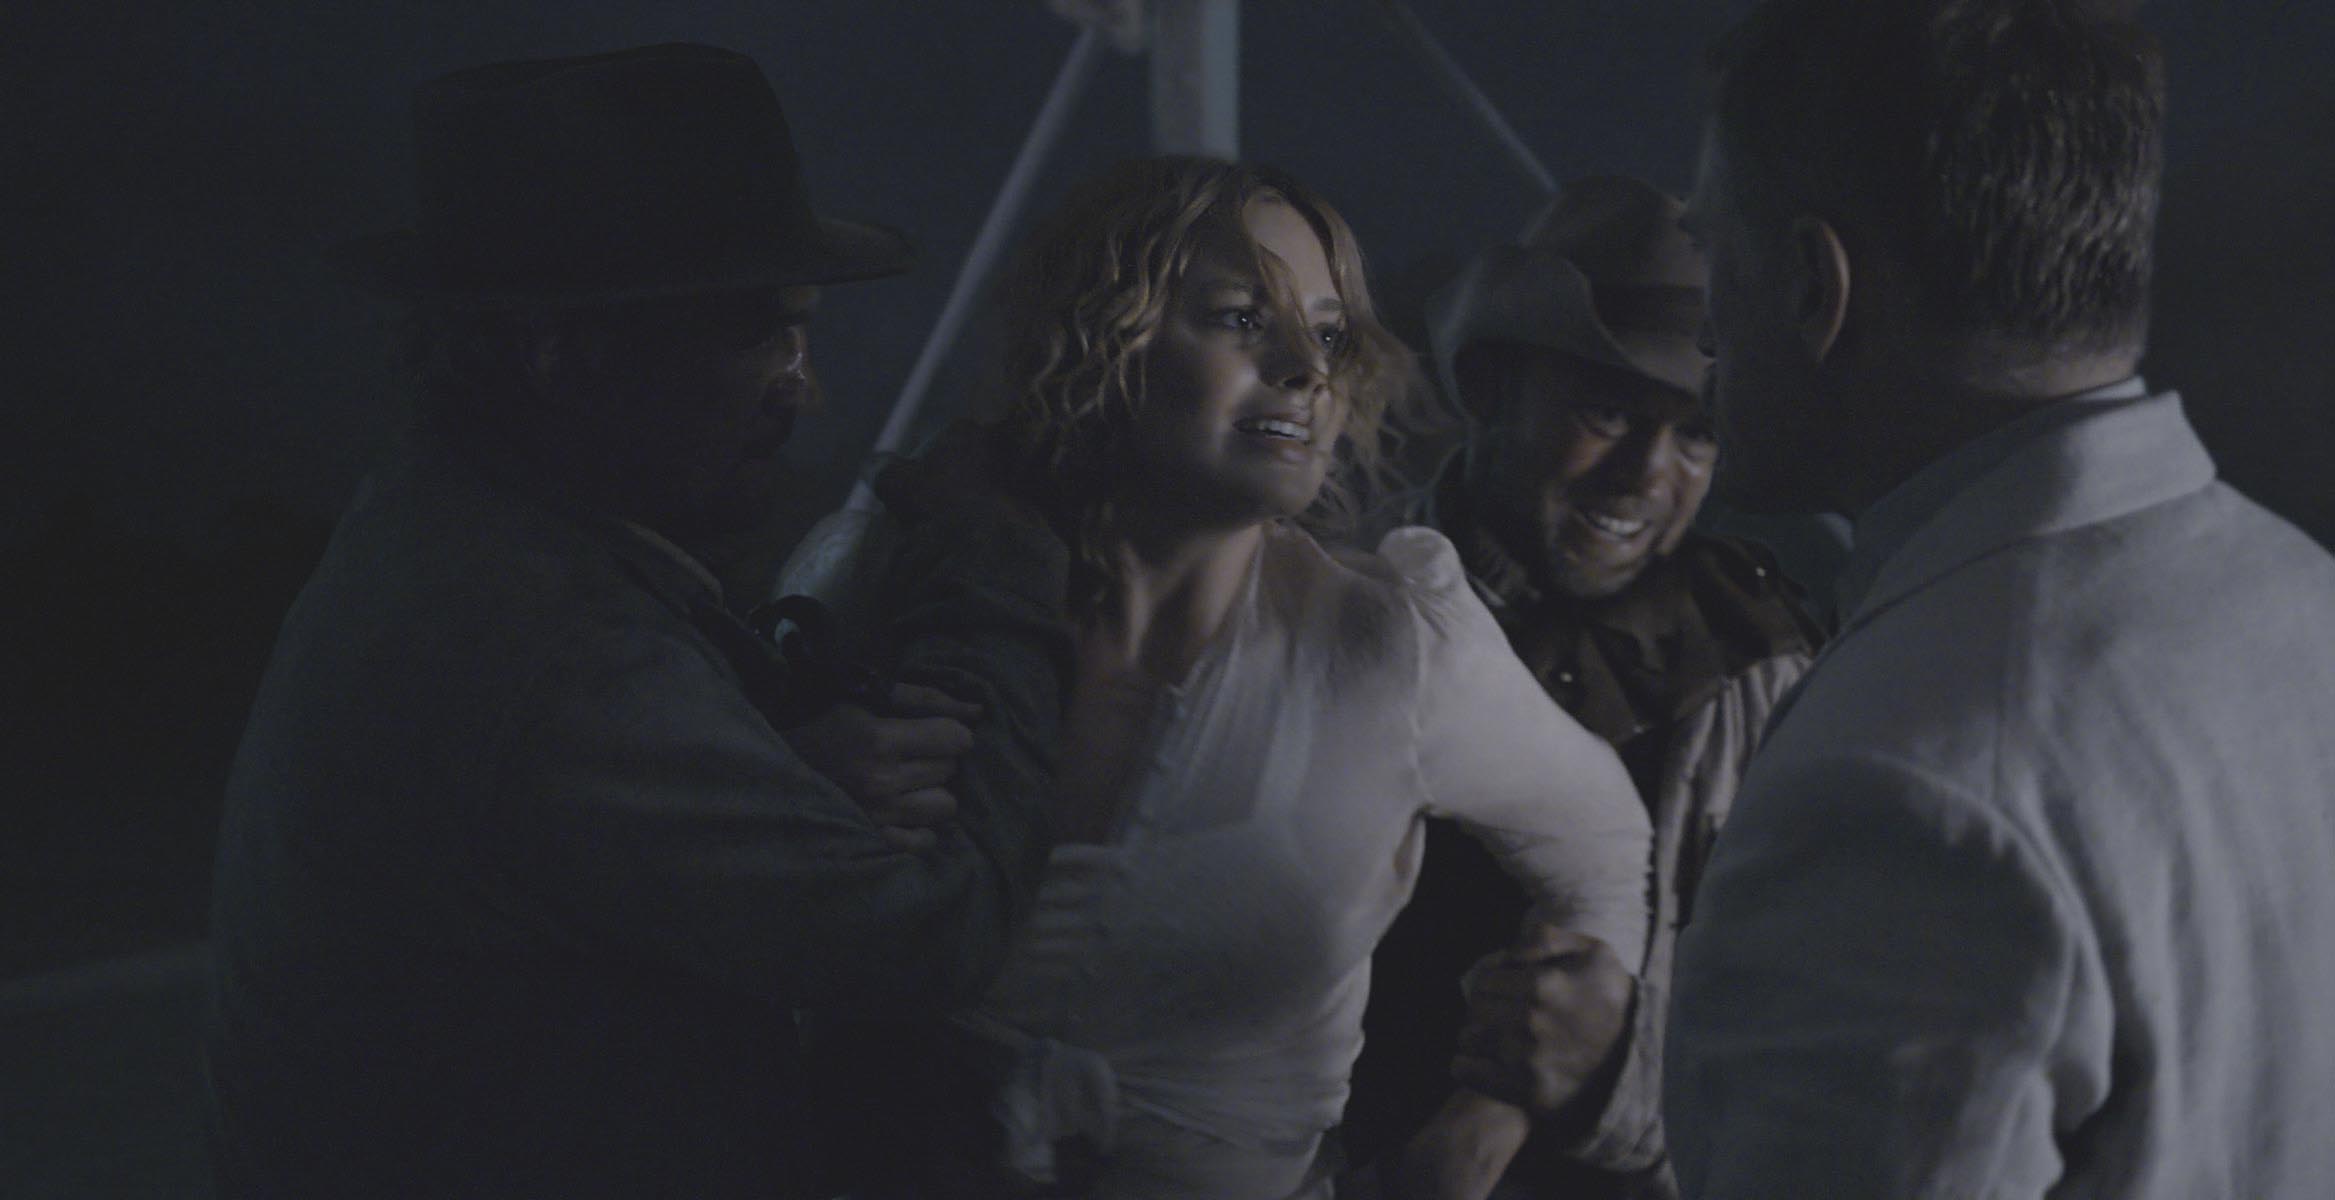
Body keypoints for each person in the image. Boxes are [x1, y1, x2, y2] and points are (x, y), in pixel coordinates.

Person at [205, 44, 1072, 1198]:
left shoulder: (443, 533)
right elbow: (925, 937)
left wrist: (765, 766)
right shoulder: (545, 648)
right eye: (759, 333)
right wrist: (1001, 573)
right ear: (559, 351)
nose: (804, 388)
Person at [811, 156, 1654, 1200]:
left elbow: (1607, 850)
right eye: (1242, 319)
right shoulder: (902, 581)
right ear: (1103, 337)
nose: (1304, 368)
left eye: (1329, 335)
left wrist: (1480, 1128)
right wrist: (810, 784)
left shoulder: (1390, 646)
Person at [1663, 1, 2335, 1196]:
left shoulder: (1893, 787)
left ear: (1815, 288)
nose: (1702, 324)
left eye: (1714, 253)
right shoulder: (2298, 593)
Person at [1340, 176, 1822, 1199]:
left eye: (1696, 431)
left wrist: (1612, 1074)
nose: (1647, 474)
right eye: (1607, 410)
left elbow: (1810, 1071)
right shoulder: (1322, 595)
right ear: (1492, 387)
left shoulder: (1759, 673)